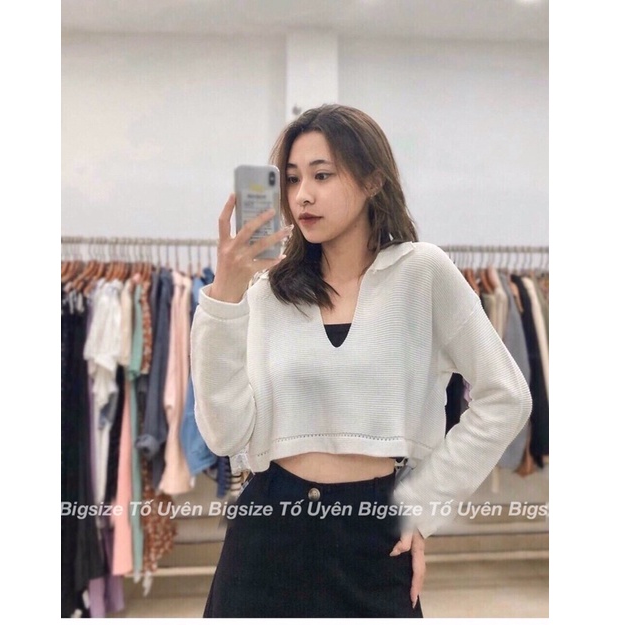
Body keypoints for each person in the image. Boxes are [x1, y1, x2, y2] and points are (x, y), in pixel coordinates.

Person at [190, 104, 532, 618]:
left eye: (322, 175)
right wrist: (224, 297)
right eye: (292, 179)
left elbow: (507, 397)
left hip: (375, 533)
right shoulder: (266, 293)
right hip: (268, 532)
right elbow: (224, 436)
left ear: (373, 180)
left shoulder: (423, 273)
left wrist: (423, 504)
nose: (302, 195)